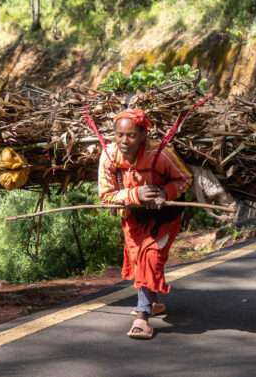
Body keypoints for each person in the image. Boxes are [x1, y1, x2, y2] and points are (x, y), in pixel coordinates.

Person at [97, 108, 192, 340]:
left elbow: (185, 179)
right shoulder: (109, 157)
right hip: (133, 217)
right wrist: (136, 194)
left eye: (131, 135)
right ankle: (153, 302)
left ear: (142, 135)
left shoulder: (160, 154)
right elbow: (105, 195)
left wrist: (164, 192)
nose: (124, 141)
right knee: (139, 260)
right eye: (119, 135)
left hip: (164, 217)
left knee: (150, 256)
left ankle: (142, 316)